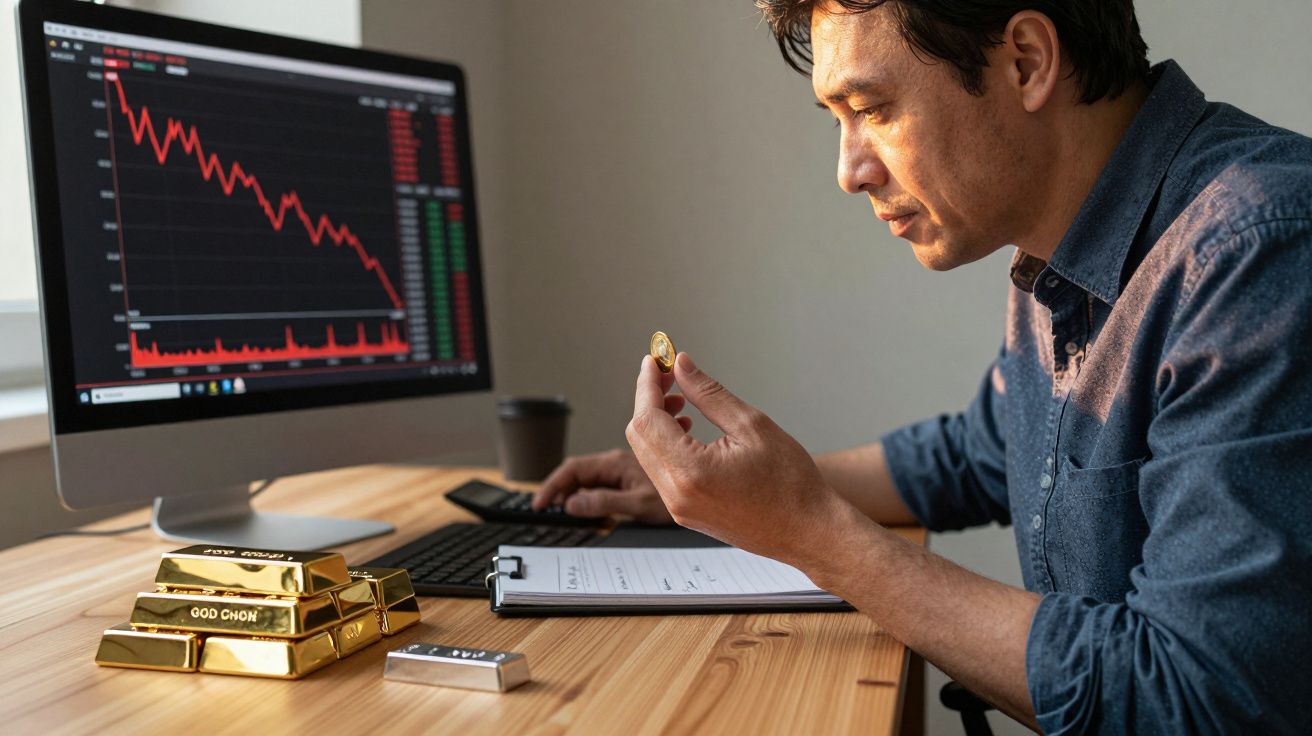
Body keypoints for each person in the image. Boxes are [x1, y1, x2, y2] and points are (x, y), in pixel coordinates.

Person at [532, 1, 1312, 732]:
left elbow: (1194, 697)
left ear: (1027, 61)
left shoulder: (1255, 253)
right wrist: (729, 486)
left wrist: (812, 532)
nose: (850, 170)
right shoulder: (1058, 247)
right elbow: (984, 449)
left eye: (872, 110)